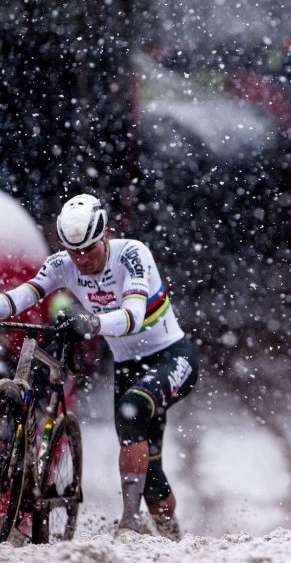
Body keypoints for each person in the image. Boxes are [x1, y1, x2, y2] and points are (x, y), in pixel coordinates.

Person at [0, 194, 198, 540]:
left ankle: (129, 525)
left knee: (132, 409)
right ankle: (170, 534)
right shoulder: (64, 263)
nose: (81, 260)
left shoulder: (132, 255)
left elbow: (135, 316)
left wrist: (91, 323)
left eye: (88, 250)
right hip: (128, 367)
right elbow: (26, 294)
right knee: (149, 468)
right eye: (73, 252)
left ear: (104, 235)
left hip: (170, 356)